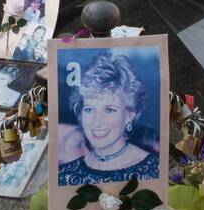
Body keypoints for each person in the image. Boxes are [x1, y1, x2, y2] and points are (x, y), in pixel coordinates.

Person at [57, 52, 158, 186]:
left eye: (109, 110)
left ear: (130, 115)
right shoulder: (65, 174)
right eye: (89, 109)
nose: (96, 122)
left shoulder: (154, 169)